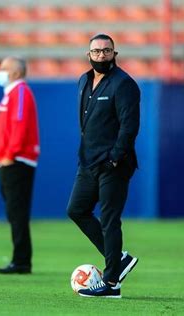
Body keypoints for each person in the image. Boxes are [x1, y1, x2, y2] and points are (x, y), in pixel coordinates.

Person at [67, 33, 140, 298]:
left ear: (114, 54)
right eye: (96, 52)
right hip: (87, 162)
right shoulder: (83, 81)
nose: (101, 56)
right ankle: (118, 259)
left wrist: (115, 157)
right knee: (76, 210)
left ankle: (112, 284)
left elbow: (129, 126)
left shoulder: (124, 84)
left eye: (106, 51)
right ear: (88, 55)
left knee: (110, 219)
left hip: (113, 164)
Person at [0, 57, 40, 274]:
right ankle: (20, 259)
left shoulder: (19, 92)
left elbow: (19, 125)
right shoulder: (11, 94)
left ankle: (21, 261)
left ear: (16, 73)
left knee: (17, 212)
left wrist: (10, 154)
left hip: (16, 161)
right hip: (10, 161)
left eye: (4, 68)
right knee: (14, 212)